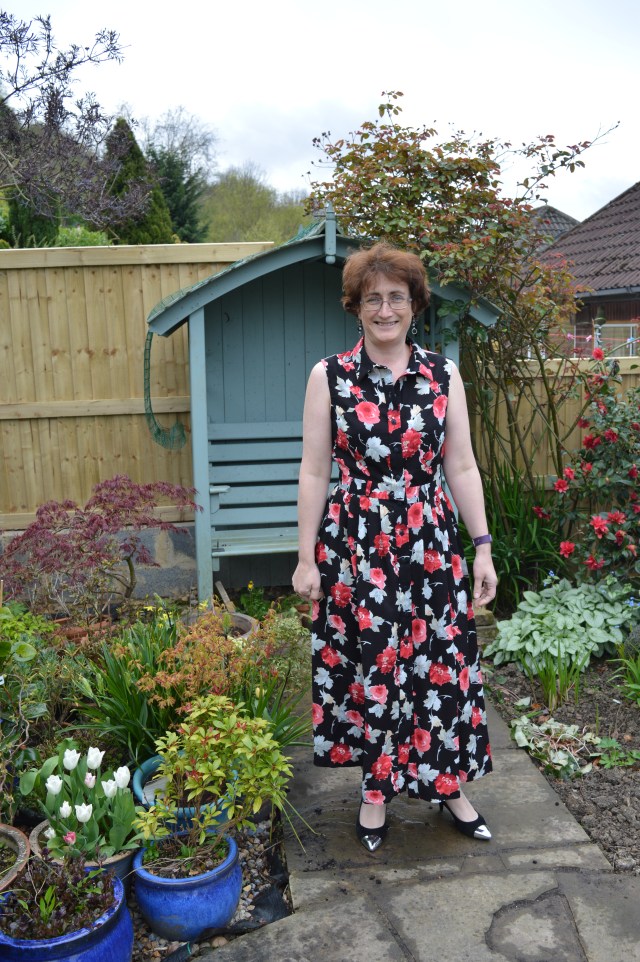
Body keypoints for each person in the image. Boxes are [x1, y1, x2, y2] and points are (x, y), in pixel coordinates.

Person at [292, 242, 497, 854]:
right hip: (357, 546)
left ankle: (447, 784)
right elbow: (313, 470)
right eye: (373, 299)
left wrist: (482, 547)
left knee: (440, 666)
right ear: (355, 307)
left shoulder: (443, 375)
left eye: (397, 298)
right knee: (374, 668)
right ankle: (376, 790)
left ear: (415, 305)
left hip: (430, 545)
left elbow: (461, 465)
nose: (385, 310)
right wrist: (305, 557)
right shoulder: (329, 376)